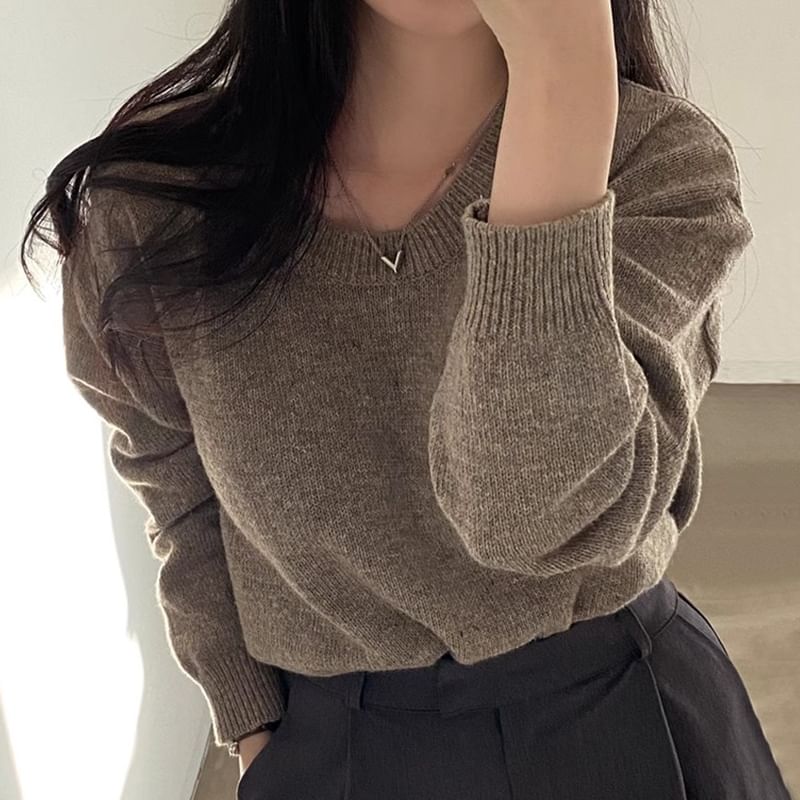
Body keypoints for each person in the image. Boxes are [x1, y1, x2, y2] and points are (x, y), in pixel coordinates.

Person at [24, 0, 793, 798]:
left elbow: (534, 516)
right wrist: (249, 716)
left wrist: (562, 83)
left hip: (621, 718)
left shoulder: (657, 166)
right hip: (333, 742)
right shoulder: (154, 204)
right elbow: (177, 483)